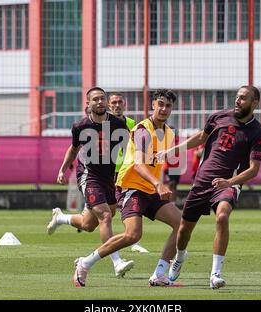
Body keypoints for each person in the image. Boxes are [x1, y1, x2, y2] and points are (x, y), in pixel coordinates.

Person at [71, 89, 182, 287]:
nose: (164, 109)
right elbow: (138, 165)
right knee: (133, 235)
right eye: (161, 104)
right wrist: (158, 184)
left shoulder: (170, 133)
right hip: (131, 188)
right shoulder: (142, 129)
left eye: (168, 105)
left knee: (181, 224)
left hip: (150, 189)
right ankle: (85, 263)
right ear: (153, 106)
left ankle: (159, 275)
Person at [161, 85, 261, 289]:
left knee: (223, 216)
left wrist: (230, 182)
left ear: (254, 103)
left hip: (228, 183)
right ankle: (180, 258)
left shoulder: (257, 132)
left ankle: (215, 274)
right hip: (202, 181)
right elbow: (201, 137)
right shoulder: (218, 116)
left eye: (243, 98)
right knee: (184, 230)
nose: (238, 101)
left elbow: (254, 170)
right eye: (237, 97)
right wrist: (173, 150)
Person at [46, 86, 134, 278]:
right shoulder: (80, 126)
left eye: (102, 98)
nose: (100, 102)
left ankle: (61, 218)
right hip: (88, 176)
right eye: (95, 99)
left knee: (89, 224)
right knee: (106, 216)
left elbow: (128, 148)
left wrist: (131, 169)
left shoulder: (119, 123)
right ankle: (117, 262)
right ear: (88, 104)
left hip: (109, 177)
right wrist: (62, 169)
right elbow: (73, 149)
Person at [108, 92, 149, 254]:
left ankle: (133, 239)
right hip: (108, 170)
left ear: (124, 105)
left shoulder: (132, 123)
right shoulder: (105, 123)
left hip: (127, 170)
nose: (117, 105)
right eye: (114, 103)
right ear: (109, 106)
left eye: (120, 102)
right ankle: (65, 218)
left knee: (132, 203)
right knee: (107, 212)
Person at [162, 128, 180, 205]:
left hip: (177, 166)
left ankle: (173, 203)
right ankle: (167, 202)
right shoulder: (165, 140)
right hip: (168, 166)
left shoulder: (178, 140)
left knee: (174, 185)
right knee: (170, 183)